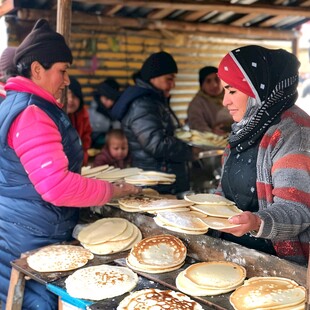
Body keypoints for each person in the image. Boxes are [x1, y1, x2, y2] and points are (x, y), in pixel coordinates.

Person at [0, 19, 140, 309]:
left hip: (16, 225)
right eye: (62, 71)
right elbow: (56, 186)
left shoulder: (16, 103)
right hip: (31, 232)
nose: (66, 80)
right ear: (37, 69)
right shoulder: (32, 113)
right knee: (36, 303)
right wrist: (111, 190)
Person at [215, 45, 310, 265]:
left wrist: (257, 221)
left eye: (232, 91)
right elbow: (224, 190)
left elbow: (298, 208)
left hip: (277, 265)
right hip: (233, 253)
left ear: (257, 90)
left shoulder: (294, 133)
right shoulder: (244, 129)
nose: (225, 101)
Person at [110, 51, 194, 195]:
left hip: (164, 179)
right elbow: (156, 144)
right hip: (157, 183)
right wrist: (191, 150)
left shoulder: (155, 100)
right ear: (153, 78)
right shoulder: (142, 104)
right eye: (169, 79)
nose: (173, 85)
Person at [187, 66, 233, 135]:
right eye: (208, 81)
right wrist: (212, 132)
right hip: (210, 143)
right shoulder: (197, 103)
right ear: (202, 85)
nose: (214, 85)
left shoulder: (232, 96)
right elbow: (196, 124)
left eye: (217, 80)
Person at [88, 78, 121, 148]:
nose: (109, 102)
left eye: (112, 99)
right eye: (106, 98)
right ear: (100, 96)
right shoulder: (92, 112)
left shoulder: (119, 110)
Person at [67, 76, 92, 166]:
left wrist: (83, 158)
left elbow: (86, 138)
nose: (70, 100)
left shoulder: (83, 114)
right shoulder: (54, 115)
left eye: (74, 96)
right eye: (67, 94)